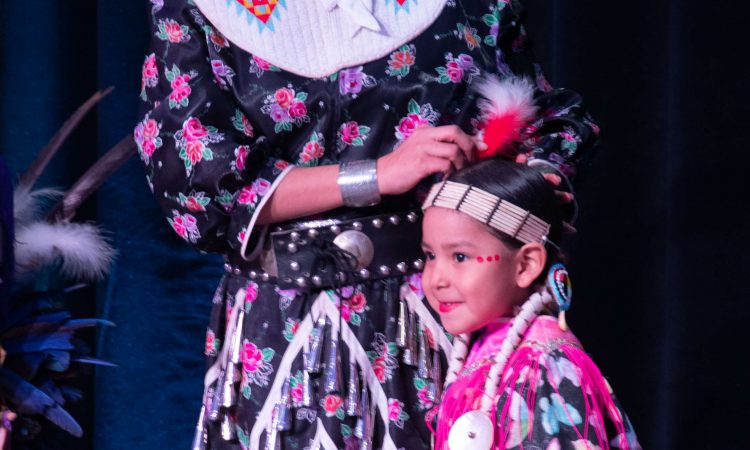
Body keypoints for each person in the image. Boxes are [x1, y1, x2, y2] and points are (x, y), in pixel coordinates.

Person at [133, 0, 598, 448]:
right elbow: (195, 181)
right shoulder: (196, 9)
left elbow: (540, 117)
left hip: (441, 314)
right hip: (286, 326)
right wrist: (378, 174)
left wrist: (528, 183)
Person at [421, 158, 640, 449]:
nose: (436, 279)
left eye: (460, 257)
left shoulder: (547, 365)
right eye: (429, 256)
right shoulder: (487, 348)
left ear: (525, 264)